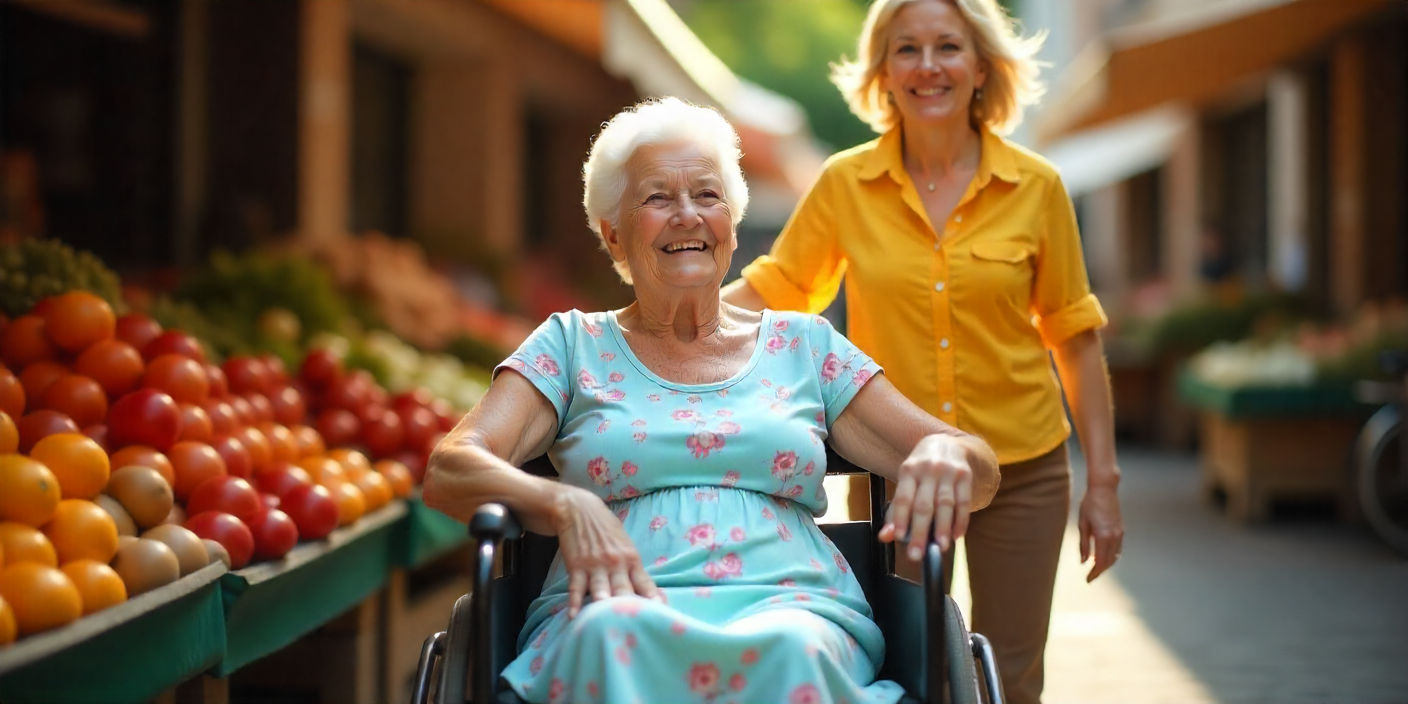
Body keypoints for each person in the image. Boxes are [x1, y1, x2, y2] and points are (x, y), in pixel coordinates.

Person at [424, 96, 1000, 704]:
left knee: (792, 647)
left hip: (792, 602)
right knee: (610, 634)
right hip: (613, 601)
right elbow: (450, 468)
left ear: (731, 221)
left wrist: (945, 456)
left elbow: (979, 466)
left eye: (707, 195)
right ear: (614, 235)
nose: (687, 216)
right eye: (657, 198)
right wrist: (560, 503)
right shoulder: (573, 345)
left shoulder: (804, 345)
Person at [720, 1, 1125, 702]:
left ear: (981, 67)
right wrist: (650, 322)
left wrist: (1105, 485)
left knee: (1011, 671)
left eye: (948, 47)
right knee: (906, 662)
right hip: (895, 470)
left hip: (1023, 466)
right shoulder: (846, 183)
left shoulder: (1037, 187)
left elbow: (1074, 337)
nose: (928, 66)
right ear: (883, 69)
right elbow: (777, 289)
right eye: (907, 49)